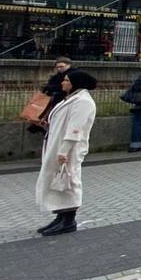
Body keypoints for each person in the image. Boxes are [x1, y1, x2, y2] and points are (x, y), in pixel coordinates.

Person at [34, 68, 98, 236]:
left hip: (69, 148)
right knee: (57, 181)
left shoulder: (83, 101)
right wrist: (47, 125)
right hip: (58, 144)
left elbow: (75, 128)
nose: (63, 82)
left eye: (67, 80)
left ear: (76, 83)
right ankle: (60, 216)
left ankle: (68, 219)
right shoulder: (70, 98)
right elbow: (63, 121)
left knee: (68, 181)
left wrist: (64, 151)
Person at [29, 56, 74, 133]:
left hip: (64, 98)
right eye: (57, 67)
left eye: (61, 66)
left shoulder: (72, 75)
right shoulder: (56, 76)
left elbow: (63, 88)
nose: (59, 69)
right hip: (55, 96)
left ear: (69, 65)